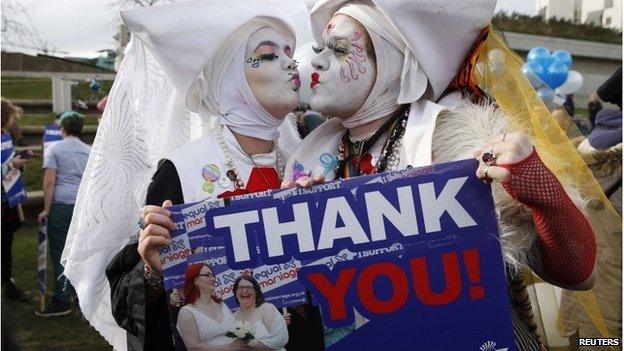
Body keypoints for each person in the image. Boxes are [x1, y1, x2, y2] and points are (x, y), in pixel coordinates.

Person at [283, 0, 607, 348]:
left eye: (340, 49)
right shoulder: (310, 157)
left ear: (395, 65)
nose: (316, 60)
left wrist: (543, 193)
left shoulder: (464, 146)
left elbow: (579, 275)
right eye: (320, 48)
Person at [60, 1, 308, 350]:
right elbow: (146, 313)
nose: (289, 62)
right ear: (229, 78)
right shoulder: (181, 173)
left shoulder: (311, 164)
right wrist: (153, 272)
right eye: (267, 55)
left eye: (289, 52)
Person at [36, 110, 90, 316]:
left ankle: (61, 299)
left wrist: (46, 210)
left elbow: (49, 181)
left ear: (63, 128)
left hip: (61, 205)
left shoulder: (55, 149)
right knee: (78, 252)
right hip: (81, 207)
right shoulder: (89, 150)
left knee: (60, 253)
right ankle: (79, 294)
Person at [1, 98, 32, 301]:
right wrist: (12, 165)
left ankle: (7, 283)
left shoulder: (4, 136)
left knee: (6, 243)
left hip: (6, 199)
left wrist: (18, 161)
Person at [177, 263, 243, 351]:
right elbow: (193, 347)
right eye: (207, 275)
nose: (213, 279)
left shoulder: (222, 304)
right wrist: (228, 348)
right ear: (195, 280)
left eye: (213, 275)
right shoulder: (187, 312)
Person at [232, 275, 288, 350]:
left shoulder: (267, 308)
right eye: (240, 288)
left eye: (249, 288)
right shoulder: (233, 316)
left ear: (256, 292)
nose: (244, 291)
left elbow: (281, 338)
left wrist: (250, 344)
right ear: (235, 292)